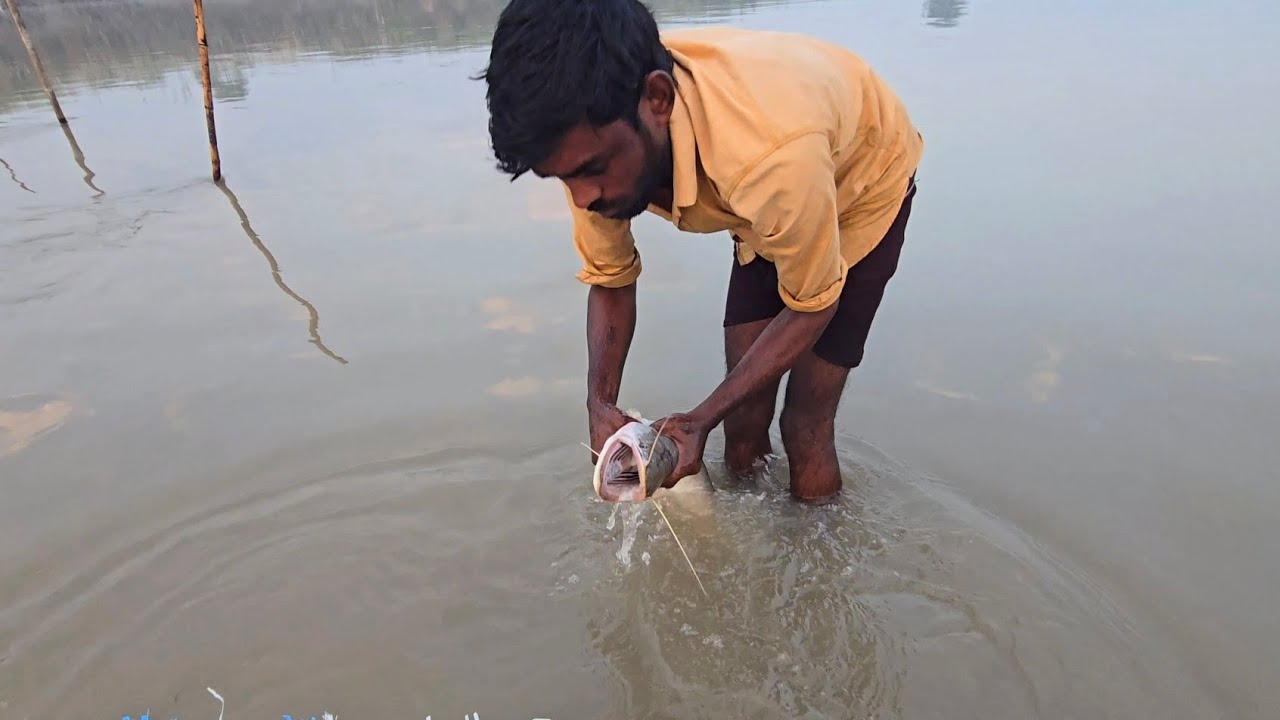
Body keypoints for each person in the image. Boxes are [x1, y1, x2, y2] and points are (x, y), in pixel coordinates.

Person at [480, 0, 924, 502]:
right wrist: (600, 401)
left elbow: (814, 304)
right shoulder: (589, 145)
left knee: (804, 423)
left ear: (658, 99)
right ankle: (752, 534)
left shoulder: (767, 161)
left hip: (864, 184)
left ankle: (818, 557)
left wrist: (698, 419)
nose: (581, 198)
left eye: (589, 170)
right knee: (743, 417)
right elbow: (610, 277)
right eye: (562, 177)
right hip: (774, 200)